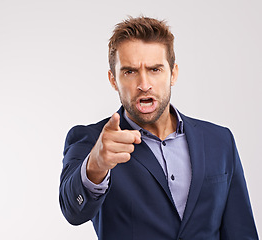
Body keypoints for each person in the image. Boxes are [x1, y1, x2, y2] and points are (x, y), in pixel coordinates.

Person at [59, 16, 258, 240]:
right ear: (113, 79)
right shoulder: (90, 141)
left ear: (173, 73)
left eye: (155, 69)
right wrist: (96, 165)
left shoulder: (219, 140)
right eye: (130, 72)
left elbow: (242, 232)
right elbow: (72, 210)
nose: (144, 85)